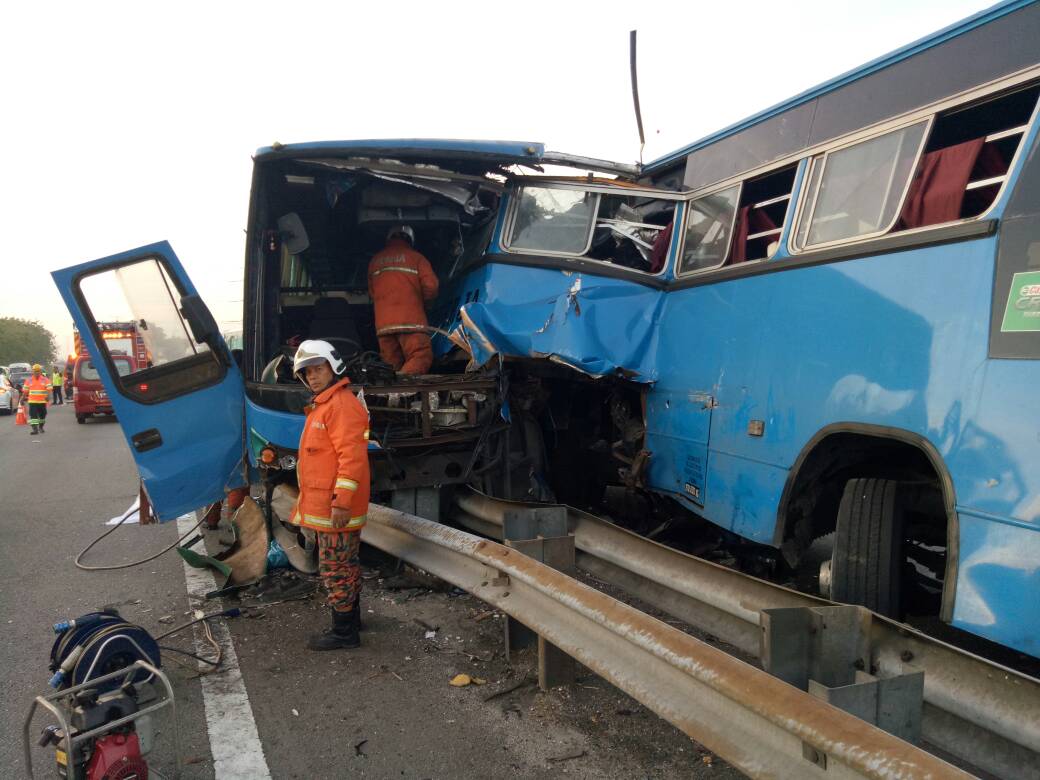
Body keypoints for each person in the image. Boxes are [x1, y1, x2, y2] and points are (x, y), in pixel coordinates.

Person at [289, 339, 371, 650]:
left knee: (335, 567)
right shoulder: (327, 404)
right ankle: (353, 619)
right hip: (330, 506)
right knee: (346, 563)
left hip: (335, 508)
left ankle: (344, 633)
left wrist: (341, 502)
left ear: (333, 368)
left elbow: (351, 459)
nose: (312, 376)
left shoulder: (340, 406)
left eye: (318, 369)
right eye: (307, 372)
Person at [367, 225, 439, 375]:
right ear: (410, 239)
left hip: (383, 326)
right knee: (421, 356)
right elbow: (431, 286)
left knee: (390, 366)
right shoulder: (417, 258)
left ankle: (393, 394)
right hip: (411, 321)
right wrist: (424, 304)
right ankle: (403, 383)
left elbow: (372, 292)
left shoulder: (375, 260)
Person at [22, 364, 52, 435]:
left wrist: (48, 396)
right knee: (33, 416)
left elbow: (49, 389)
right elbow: (25, 391)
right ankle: (35, 429)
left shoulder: (45, 380)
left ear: (40, 371)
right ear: (33, 371)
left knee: (43, 415)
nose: (37, 372)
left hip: (42, 402)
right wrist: (22, 399)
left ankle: (41, 427)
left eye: (38, 371)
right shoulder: (28, 380)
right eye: (35, 371)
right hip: (32, 401)